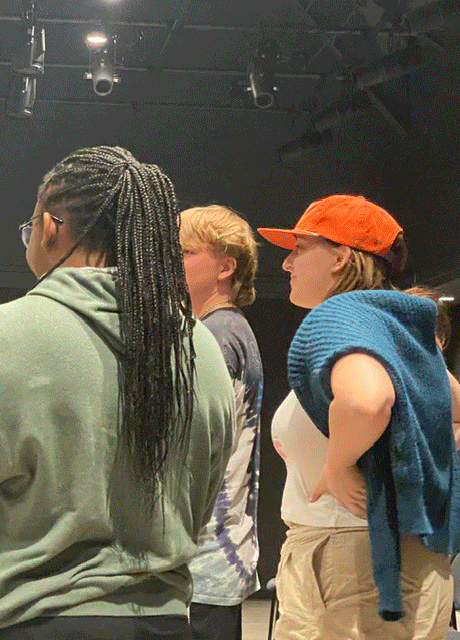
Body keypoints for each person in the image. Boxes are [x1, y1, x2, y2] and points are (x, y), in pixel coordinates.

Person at [0, 146, 235, 640]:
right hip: (161, 625)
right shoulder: (201, 351)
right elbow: (200, 500)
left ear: (48, 227)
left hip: (15, 624)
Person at [259, 194, 460, 640]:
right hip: (391, 560)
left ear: (339, 257)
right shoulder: (390, 324)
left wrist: (341, 467)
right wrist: (397, 468)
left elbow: (365, 402)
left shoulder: (339, 316)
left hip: (353, 562)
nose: (286, 264)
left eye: (299, 248)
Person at [179, 206, 263, 640]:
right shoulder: (227, 330)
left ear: (225, 267)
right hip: (214, 554)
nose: (172, 261)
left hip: (204, 555)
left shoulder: (213, 336)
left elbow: (190, 443)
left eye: (185, 252)